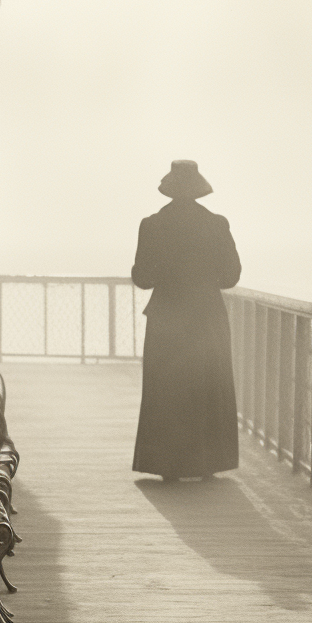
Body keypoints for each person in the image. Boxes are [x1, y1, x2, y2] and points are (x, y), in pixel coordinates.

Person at [131, 160, 242, 481]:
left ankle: (169, 466)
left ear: (169, 188)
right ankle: (207, 462)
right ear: (199, 190)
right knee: (208, 387)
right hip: (207, 318)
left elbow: (143, 277)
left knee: (166, 389)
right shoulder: (217, 224)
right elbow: (231, 276)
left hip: (166, 317)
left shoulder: (151, 225)